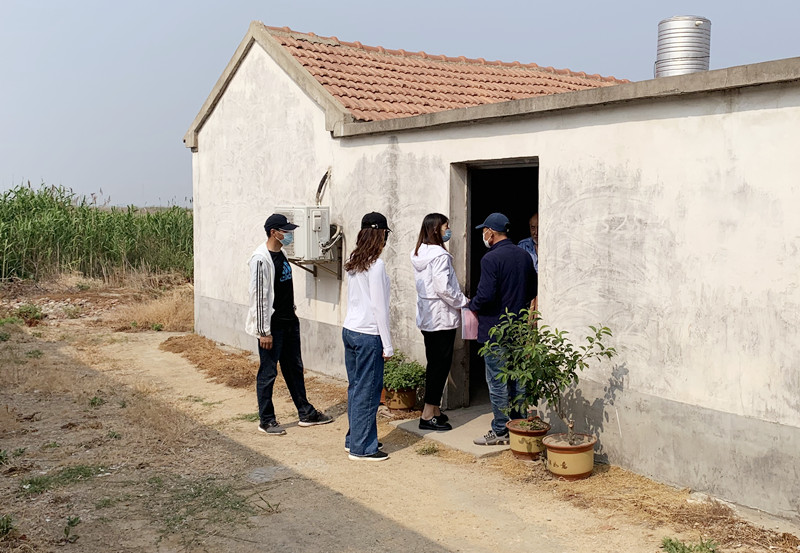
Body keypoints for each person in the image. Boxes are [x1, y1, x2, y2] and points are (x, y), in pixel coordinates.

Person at [246, 213, 332, 436]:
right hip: (272, 326)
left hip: (289, 322)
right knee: (268, 373)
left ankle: (306, 413)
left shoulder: (282, 253)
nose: (289, 234)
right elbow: (259, 297)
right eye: (285, 231)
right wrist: (264, 331)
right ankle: (266, 420)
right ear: (274, 232)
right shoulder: (260, 259)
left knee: (294, 369)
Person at [468, 212, 536, 446]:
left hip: (495, 329)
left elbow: (486, 295)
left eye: (484, 231)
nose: (483, 235)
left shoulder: (490, 259)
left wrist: (472, 305)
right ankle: (518, 425)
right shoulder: (524, 256)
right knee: (518, 380)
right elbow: (532, 290)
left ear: (491, 232)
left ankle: (500, 430)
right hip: (518, 327)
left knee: (497, 381)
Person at [342, 212, 393, 461]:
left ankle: (354, 438)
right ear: (380, 235)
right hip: (368, 333)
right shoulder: (377, 265)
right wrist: (388, 344)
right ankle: (362, 447)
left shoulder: (354, 260)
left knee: (356, 388)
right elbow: (379, 307)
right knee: (369, 392)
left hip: (350, 329)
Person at [410, 213, 469, 432]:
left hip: (428, 317)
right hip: (442, 318)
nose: (448, 230)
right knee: (440, 366)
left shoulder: (420, 253)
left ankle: (434, 410)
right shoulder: (440, 256)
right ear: (436, 229)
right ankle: (427, 414)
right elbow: (443, 287)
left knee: (434, 363)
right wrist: (463, 301)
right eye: (446, 226)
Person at [517, 212, 539, 311]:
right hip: (528, 297)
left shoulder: (552, 245)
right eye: (533, 228)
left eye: (539, 228)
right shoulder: (522, 246)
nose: (536, 232)